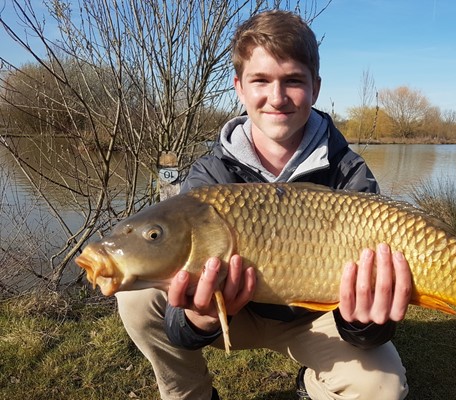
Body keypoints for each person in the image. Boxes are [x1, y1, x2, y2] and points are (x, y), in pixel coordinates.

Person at [116, 10, 412, 400]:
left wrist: (364, 322)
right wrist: (198, 317)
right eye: (261, 80)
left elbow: (371, 323)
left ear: (315, 87)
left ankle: (311, 385)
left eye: (293, 81)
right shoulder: (212, 174)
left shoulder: (348, 172)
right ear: (240, 88)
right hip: (234, 311)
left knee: (383, 388)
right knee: (136, 296)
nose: (277, 97)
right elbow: (180, 324)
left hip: (318, 317)